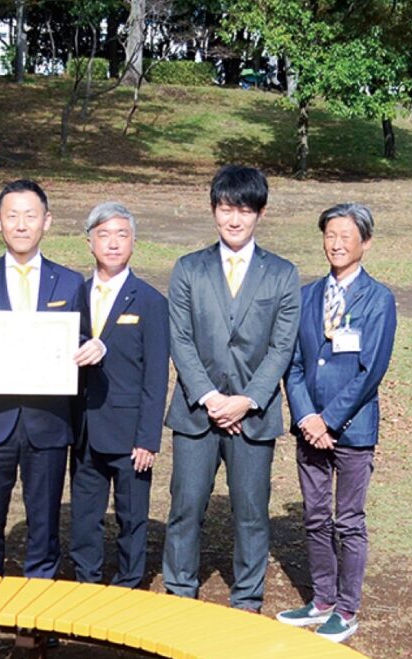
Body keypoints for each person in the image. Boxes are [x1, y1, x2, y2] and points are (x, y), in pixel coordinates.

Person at [0, 179, 100, 645]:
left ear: (47, 222)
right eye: (12, 215)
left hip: (48, 423)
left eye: (31, 215)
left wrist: (89, 350)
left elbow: (80, 341)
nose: (21, 224)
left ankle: (40, 612)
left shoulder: (70, 282)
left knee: (44, 520)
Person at [161, 164, 301, 613]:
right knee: (185, 506)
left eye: (244, 209)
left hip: (254, 415)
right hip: (196, 413)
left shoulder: (282, 273)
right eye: (226, 209)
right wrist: (211, 397)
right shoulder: (188, 269)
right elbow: (180, 340)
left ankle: (247, 599)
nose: (234, 219)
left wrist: (245, 400)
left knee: (252, 514)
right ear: (213, 210)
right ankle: (180, 592)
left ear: (260, 212)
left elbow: (282, 346)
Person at [277, 203, 396, 643]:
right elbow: (293, 364)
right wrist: (307, 416)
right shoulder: (308, 296)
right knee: (313, 516)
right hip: (309, 428)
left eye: (347, 235)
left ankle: (346, 609)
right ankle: (321, 599)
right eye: (330, 234)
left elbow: (372, 369)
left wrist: (329, 420)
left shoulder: (378, 299)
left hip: (353, 429)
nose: (337, 242)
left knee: (348, 520)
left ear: (365, 241)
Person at [69, 201, 169, 589]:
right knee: (84, 515)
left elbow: (156, 375)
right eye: (104, 235)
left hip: (129, 433)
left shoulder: (149, 301)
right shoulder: (73, 295)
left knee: (131, 516)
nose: (112, 244)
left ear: (134, 243)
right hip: (83, 428)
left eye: (121, 235)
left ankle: (129, 584)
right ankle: (87, 582)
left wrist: (148, 438)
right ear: (89, 242)